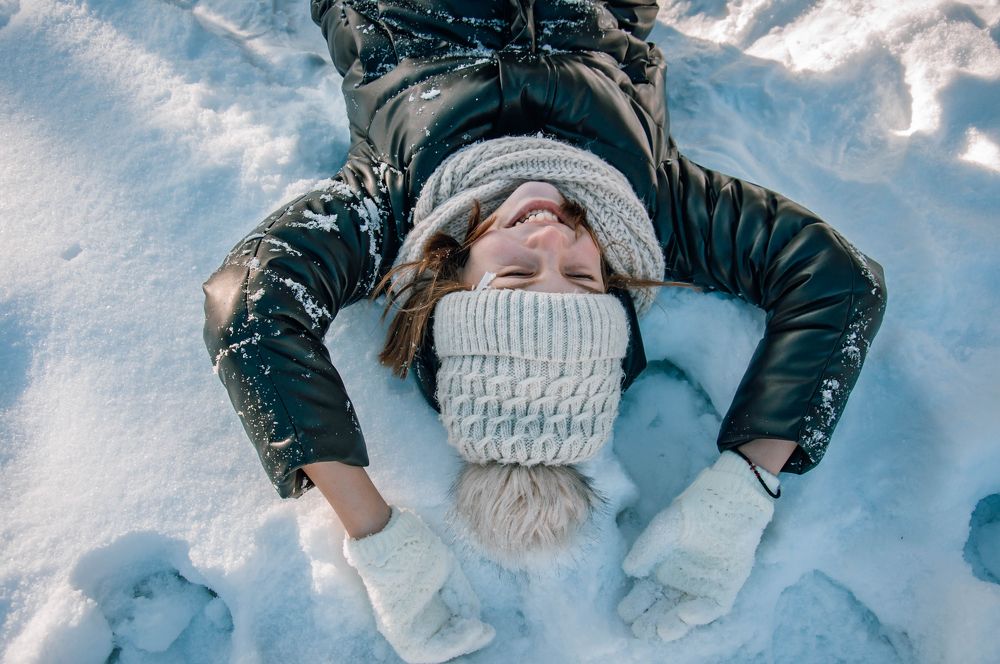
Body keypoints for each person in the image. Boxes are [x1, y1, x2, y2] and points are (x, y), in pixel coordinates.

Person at [202, 1, 887, 662]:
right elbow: (838, 281)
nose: (553, 238)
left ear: (453, 278)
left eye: (517, 275)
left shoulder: (390, 204)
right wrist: (742, 490)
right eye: (584, 278)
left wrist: (375, 534)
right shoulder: (656, 212)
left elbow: (251, 311)